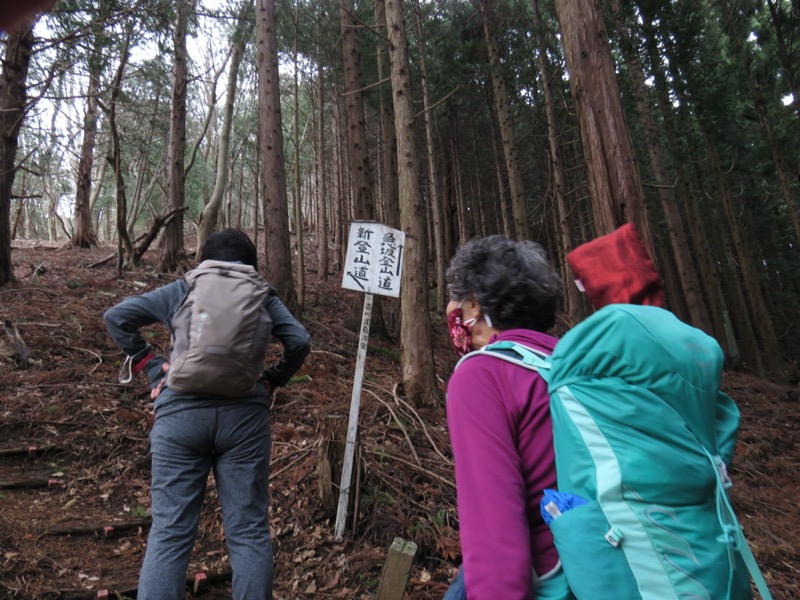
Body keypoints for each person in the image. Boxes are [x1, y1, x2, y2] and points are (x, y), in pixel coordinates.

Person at [104, 228, 310, 600]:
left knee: (169, 532)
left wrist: (152, 367)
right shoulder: (262, 294)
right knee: (248, 532)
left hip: (180, 416)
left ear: (205, 260)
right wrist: (271, 380)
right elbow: (299, 340)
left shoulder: (185, 288)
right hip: (245, 420)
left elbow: (117, 317)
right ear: (251, 265)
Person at [442, 235, 570, 600]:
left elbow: (493, 529)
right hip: (600, 566)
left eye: (458, 303)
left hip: (547, 579)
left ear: (475, 307)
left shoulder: (482, 374)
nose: (452, 315)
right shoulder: (567, 362)